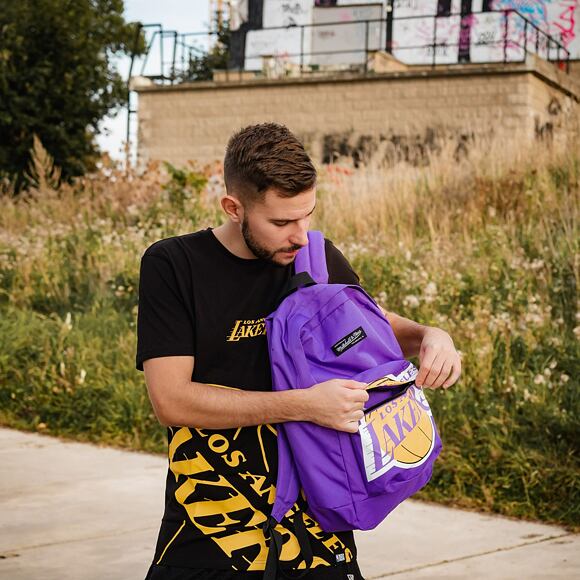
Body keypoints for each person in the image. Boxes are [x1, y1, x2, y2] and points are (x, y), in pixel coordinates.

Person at [136, 122, 461, 580]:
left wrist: (430, 335)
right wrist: (305, 406)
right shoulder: (175, 265)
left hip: (321, 531)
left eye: (307, 214)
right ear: (234, 207)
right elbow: (171, 400)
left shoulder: (316, 257)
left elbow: (373, 325)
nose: (299, 234)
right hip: (215, 530)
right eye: (281, 222)